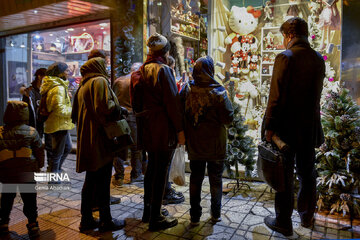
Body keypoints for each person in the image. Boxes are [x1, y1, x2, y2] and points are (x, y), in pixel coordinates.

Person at [263, 17, 325, 236]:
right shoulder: (318, 58)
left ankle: (283, 222)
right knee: (308, 174)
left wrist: (269, 127)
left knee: (284, 176)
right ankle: (307, 217)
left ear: (288, 35)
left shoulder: (285, 57)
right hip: (309, 128)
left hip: (287, 130)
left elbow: (275, 98)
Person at [130, 33, 185, 231]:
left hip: (146, 128)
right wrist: (179, 130)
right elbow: (172, 103)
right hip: (162, 128)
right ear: (165, 51)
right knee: (161, 172)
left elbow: (135, 103)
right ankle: (156, 218)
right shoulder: (163, 70)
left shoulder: (140, 71)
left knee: (151, 170)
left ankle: (148, 211)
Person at [72, 57, 127, 232]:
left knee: (90, 181)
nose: (107, 68)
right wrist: (121, 109)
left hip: (87, 138)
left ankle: (86, 220)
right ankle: (106, 220)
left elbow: (74, 115)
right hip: (100, 139)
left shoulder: (83, 85)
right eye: (105, 65)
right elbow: (106, 106)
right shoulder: (100, 81)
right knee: (103, 181)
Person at [179, 56, 234, 226]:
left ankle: (195, 216)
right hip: (215, 144)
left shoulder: (187, 89)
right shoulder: (219, 92)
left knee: (195, 178)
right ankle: (216, 214)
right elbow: (228, 118)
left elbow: (180, 113)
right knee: (215, 179)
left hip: (195, 143)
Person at [0, 101, 44, 239]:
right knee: (30, 200)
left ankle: (3, 225)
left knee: (7, 199)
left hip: (8, 174)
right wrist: (39, 167)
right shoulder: (31, 131)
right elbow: (39, 152)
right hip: (27, 175)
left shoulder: (1, 132)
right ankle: (33, 226)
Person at [112, 62, 144, 186]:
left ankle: (119, 176)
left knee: (119, 148)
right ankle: (136, 175)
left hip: (119, 118)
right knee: (136, 149)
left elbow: (112, 99)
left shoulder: (119, 80)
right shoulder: (138, 81)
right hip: (133, 118)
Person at [40, 62, 74, 175]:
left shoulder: (59, 86)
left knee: (67, 147)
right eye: (67, 70)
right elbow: (59, 109)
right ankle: (53, 176)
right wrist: (74, 112)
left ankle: (55, 169)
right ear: (60, 73)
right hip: (58, 124)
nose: (69, 73)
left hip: (61, 123)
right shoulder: (58, 88)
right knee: (58, 153)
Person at [20, 68, 53, 171]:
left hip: (46, 122)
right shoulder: (30, 91)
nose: (48, 79)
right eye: (46, 76)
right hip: (34, 123)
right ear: (39, 76)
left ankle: (50, 167)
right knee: (35, 145)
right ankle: (34, 167)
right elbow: (26, 107)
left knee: (49, 146)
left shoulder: (47, 90)